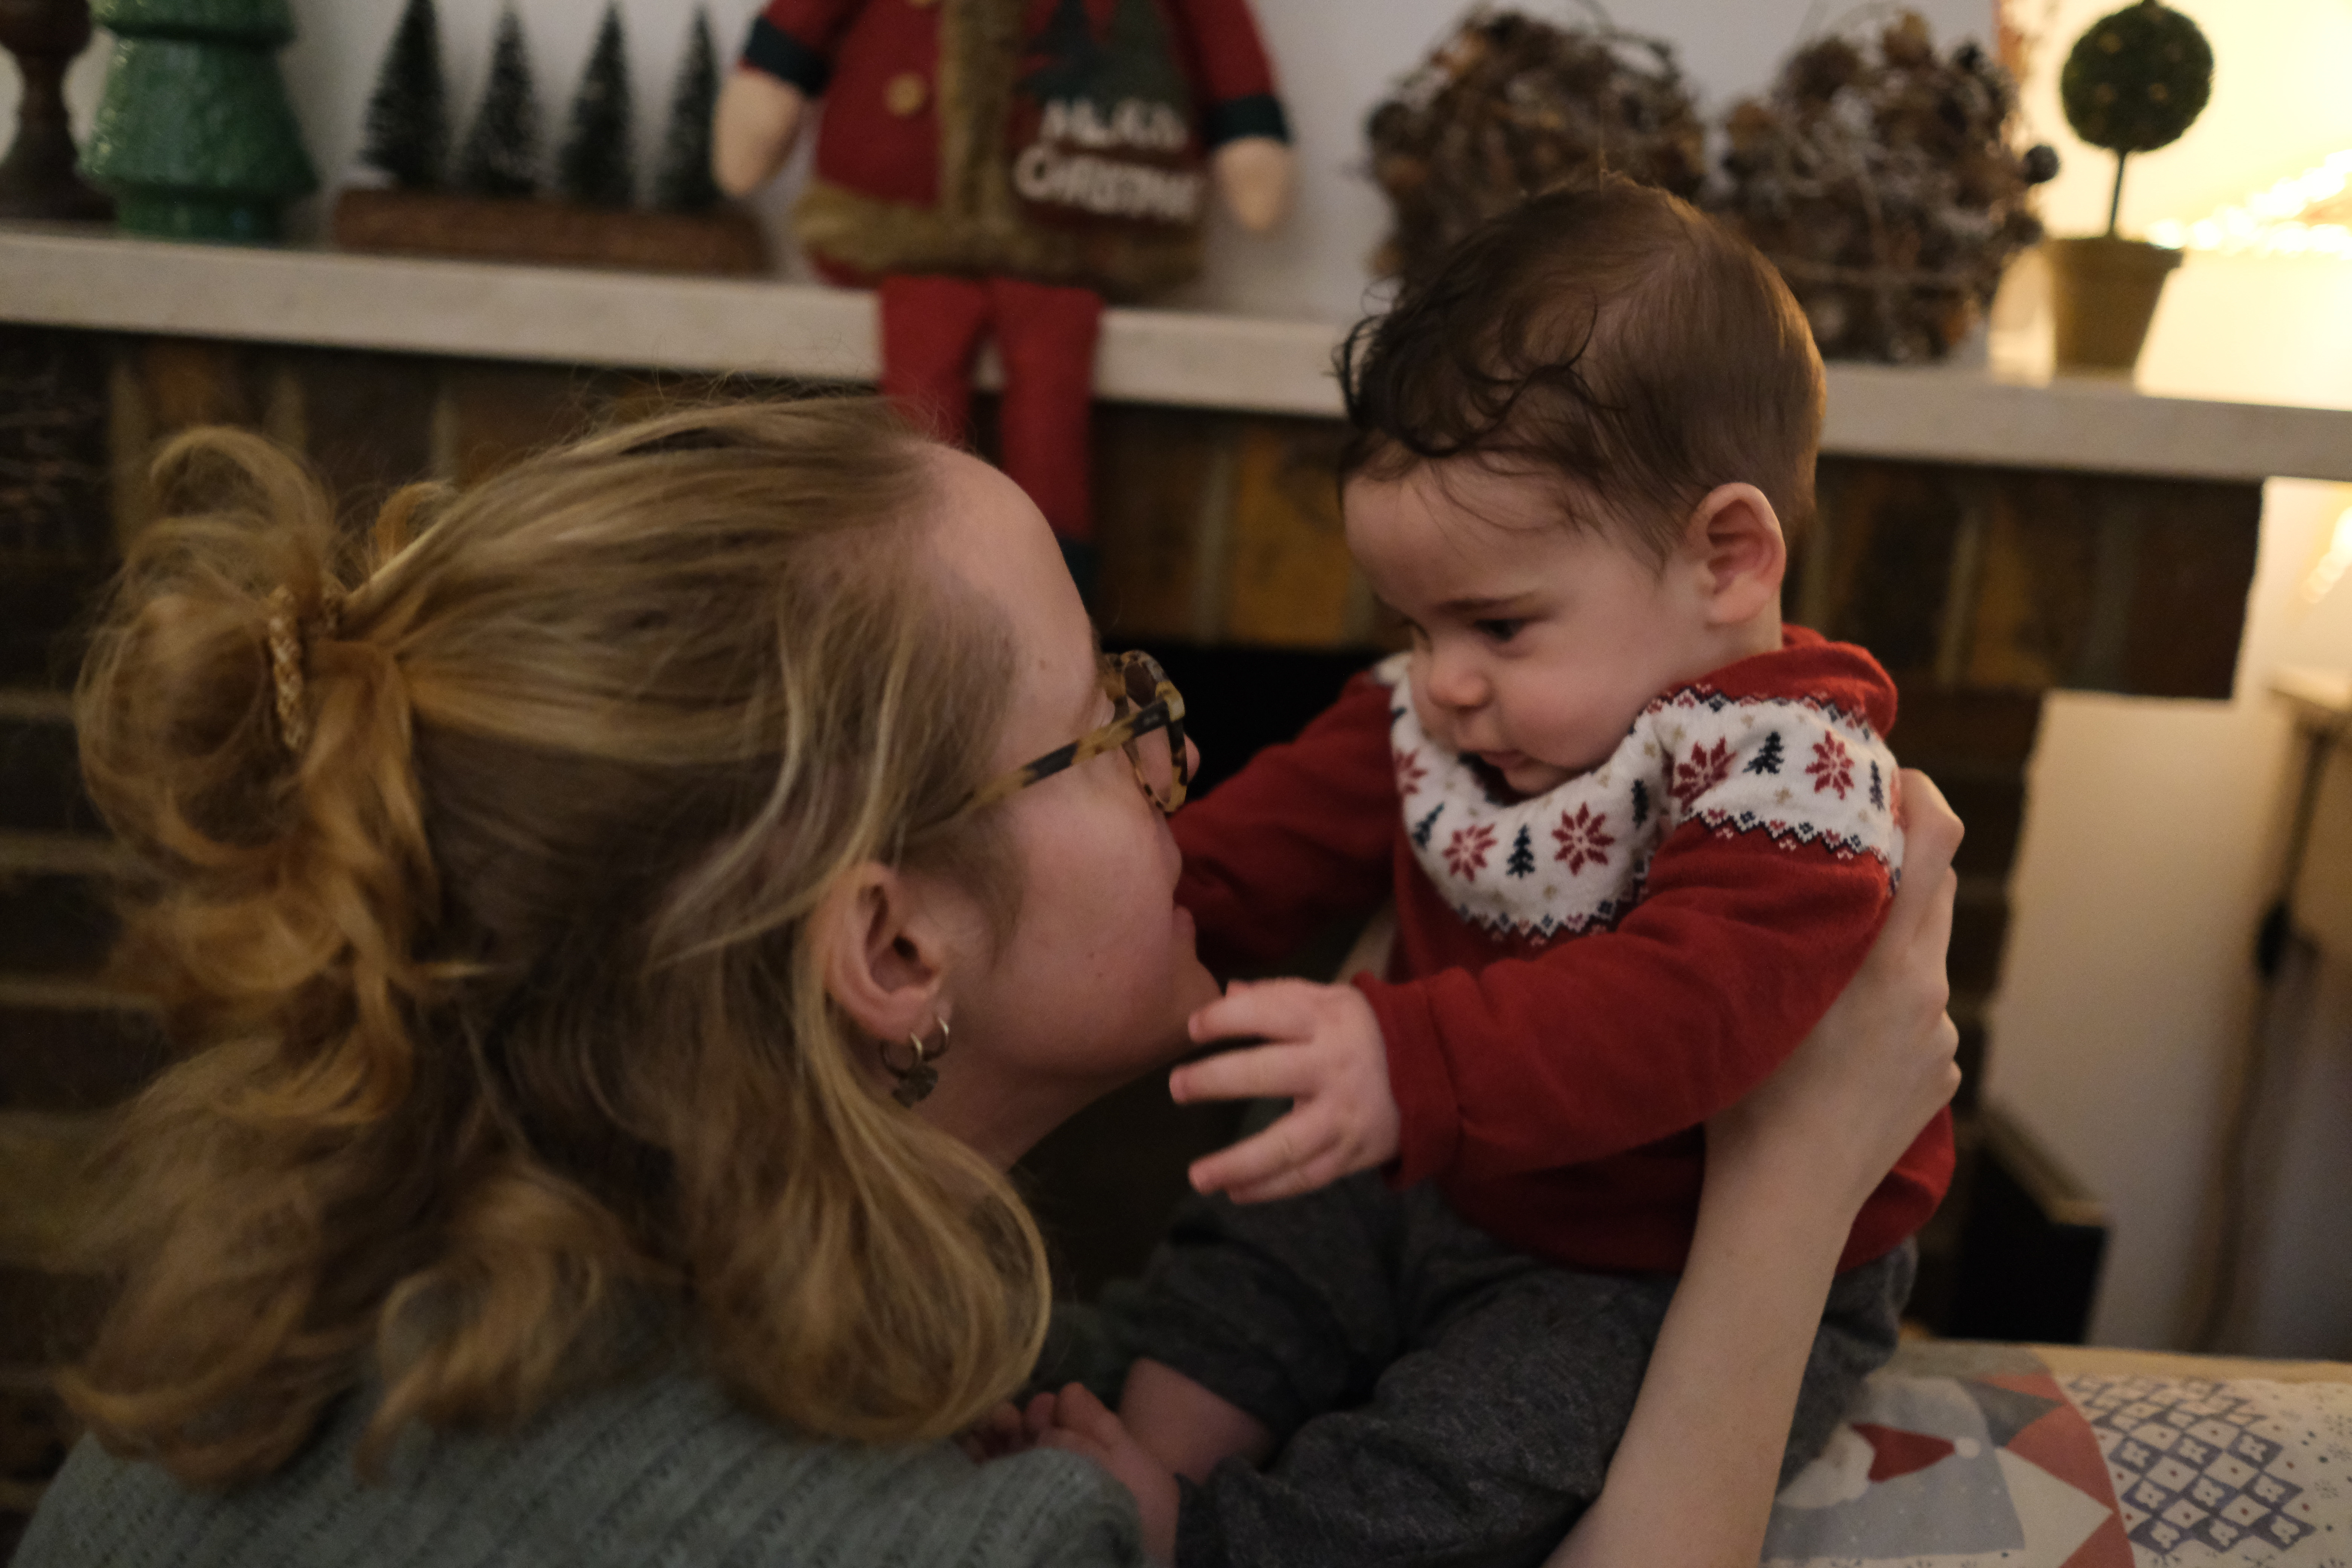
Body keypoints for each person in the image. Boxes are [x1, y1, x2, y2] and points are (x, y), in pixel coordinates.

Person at [16, 397, 1960, 1568]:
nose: (1176, 761)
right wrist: (1790, 1179)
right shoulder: (959, 1544)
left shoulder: (287, 1348)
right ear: (892, 946)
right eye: (1106, 723)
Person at [1080, 180, 1955, 1565]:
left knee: (1470, 1451)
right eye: (1414, 625)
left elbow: (1688, 1014)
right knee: (1250, 1248)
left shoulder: (1794, 775)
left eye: (1497, 624)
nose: (1443, 680)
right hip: (1443, 1168)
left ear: (1726, 559)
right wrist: (1094, 905)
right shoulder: (1443, 714)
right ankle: (1145, 1473)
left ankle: (1226, 1540)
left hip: (1652, 1256)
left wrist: (1410, 1060)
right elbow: (1245, 859)